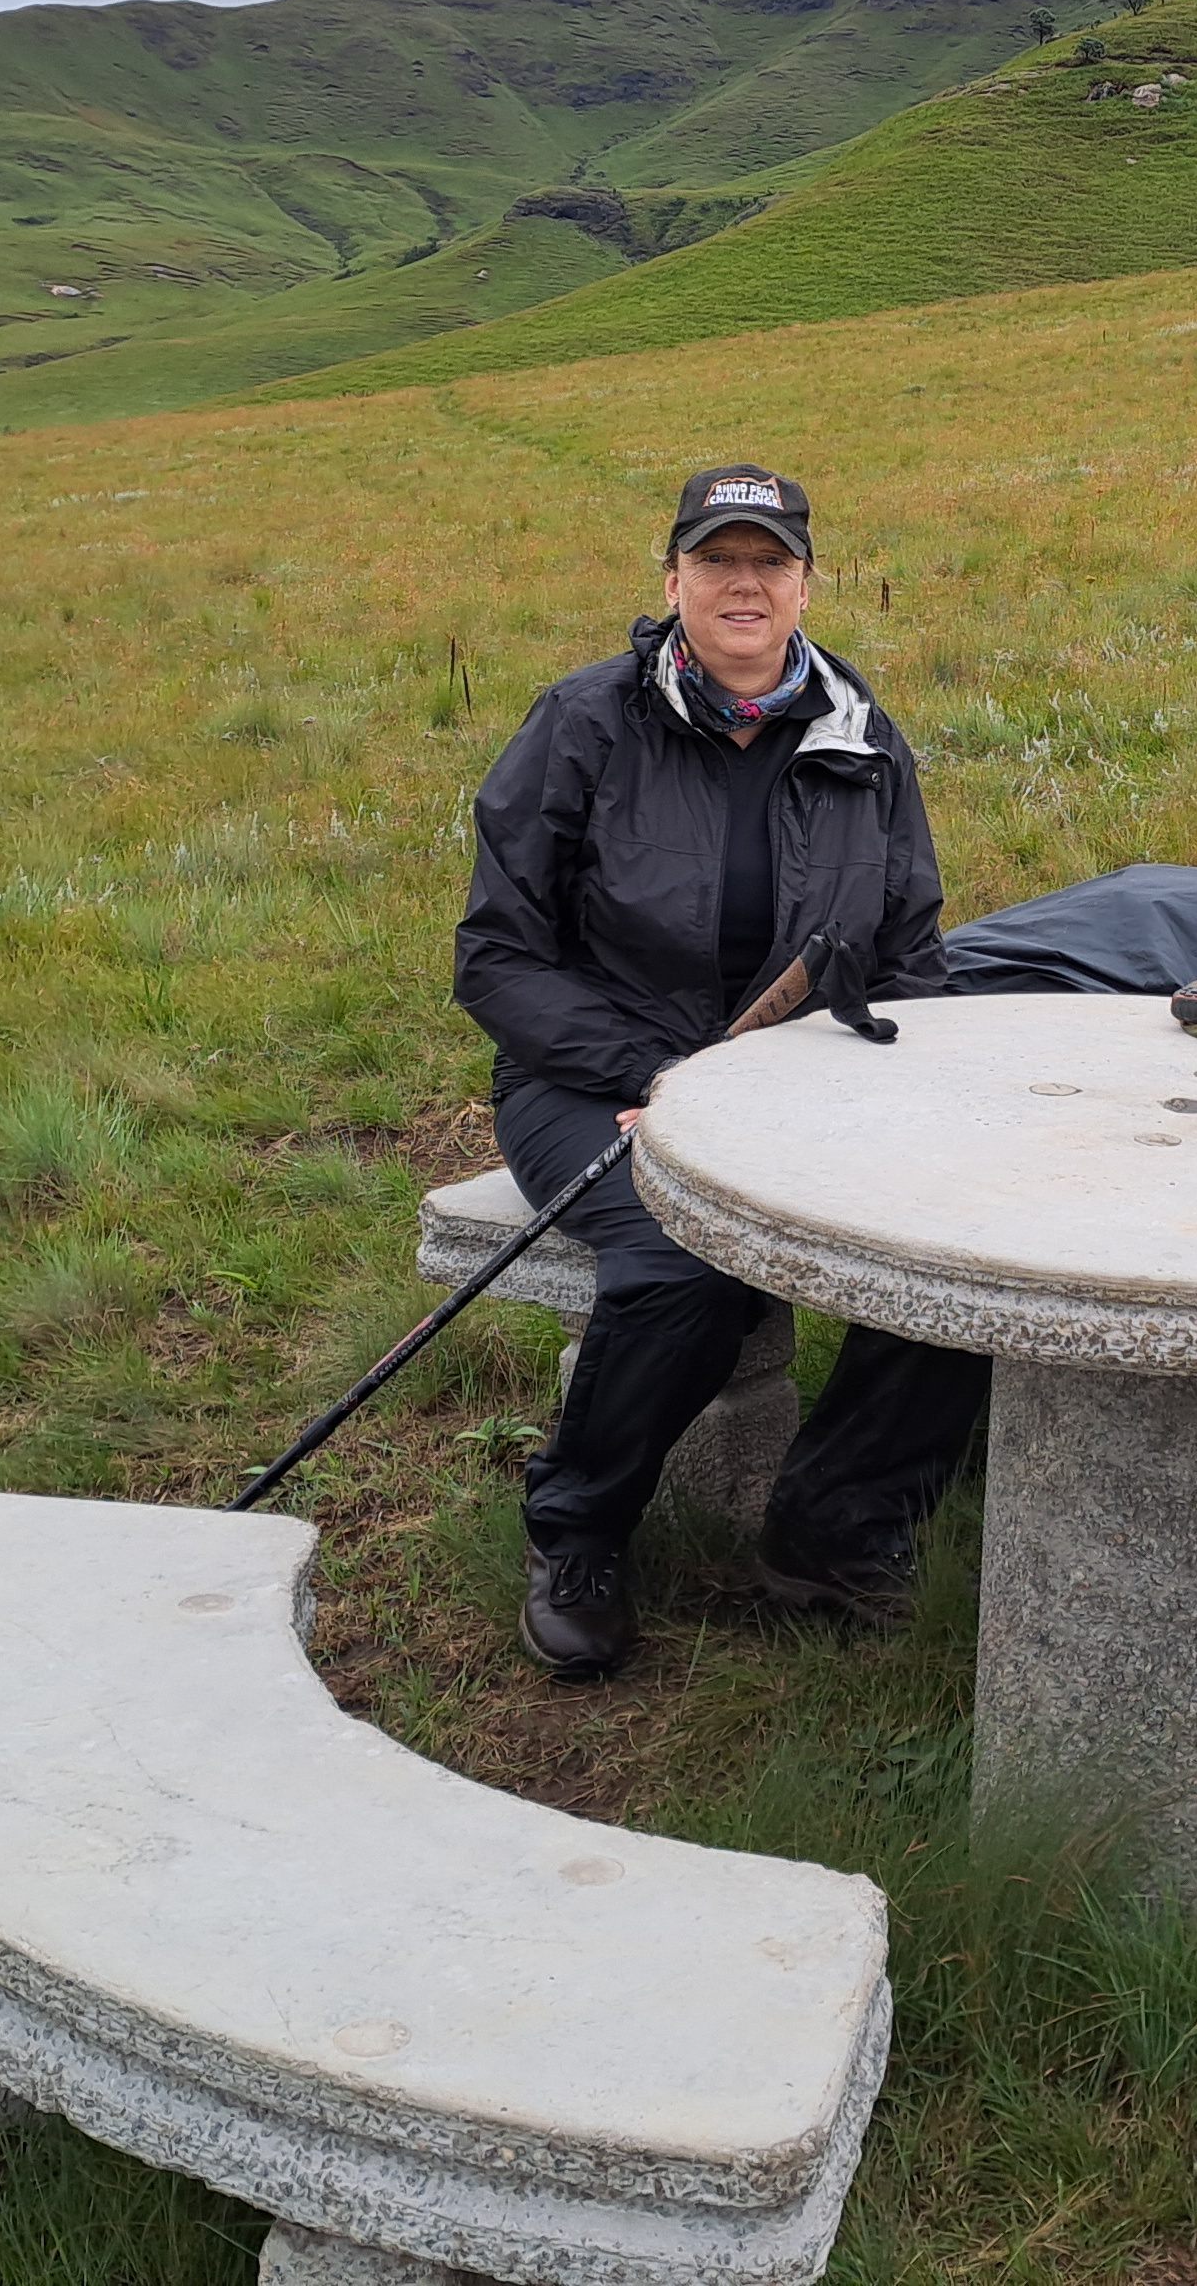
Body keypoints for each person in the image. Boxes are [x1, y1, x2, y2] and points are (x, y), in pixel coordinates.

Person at [454, 464, 991, 1677]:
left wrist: (910, 1096)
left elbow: (909, 953)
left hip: (795, 1080)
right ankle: (578, 1530)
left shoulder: (862, 734)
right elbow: (497, 958)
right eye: (715, 561)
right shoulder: (584, 723)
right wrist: (650, 1073)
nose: (742, 584)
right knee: (681, 1260)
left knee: (958, 1236)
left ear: (805, 584)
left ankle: (835, 1528)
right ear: (672, 583)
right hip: (586, 1076)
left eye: (768, 562)